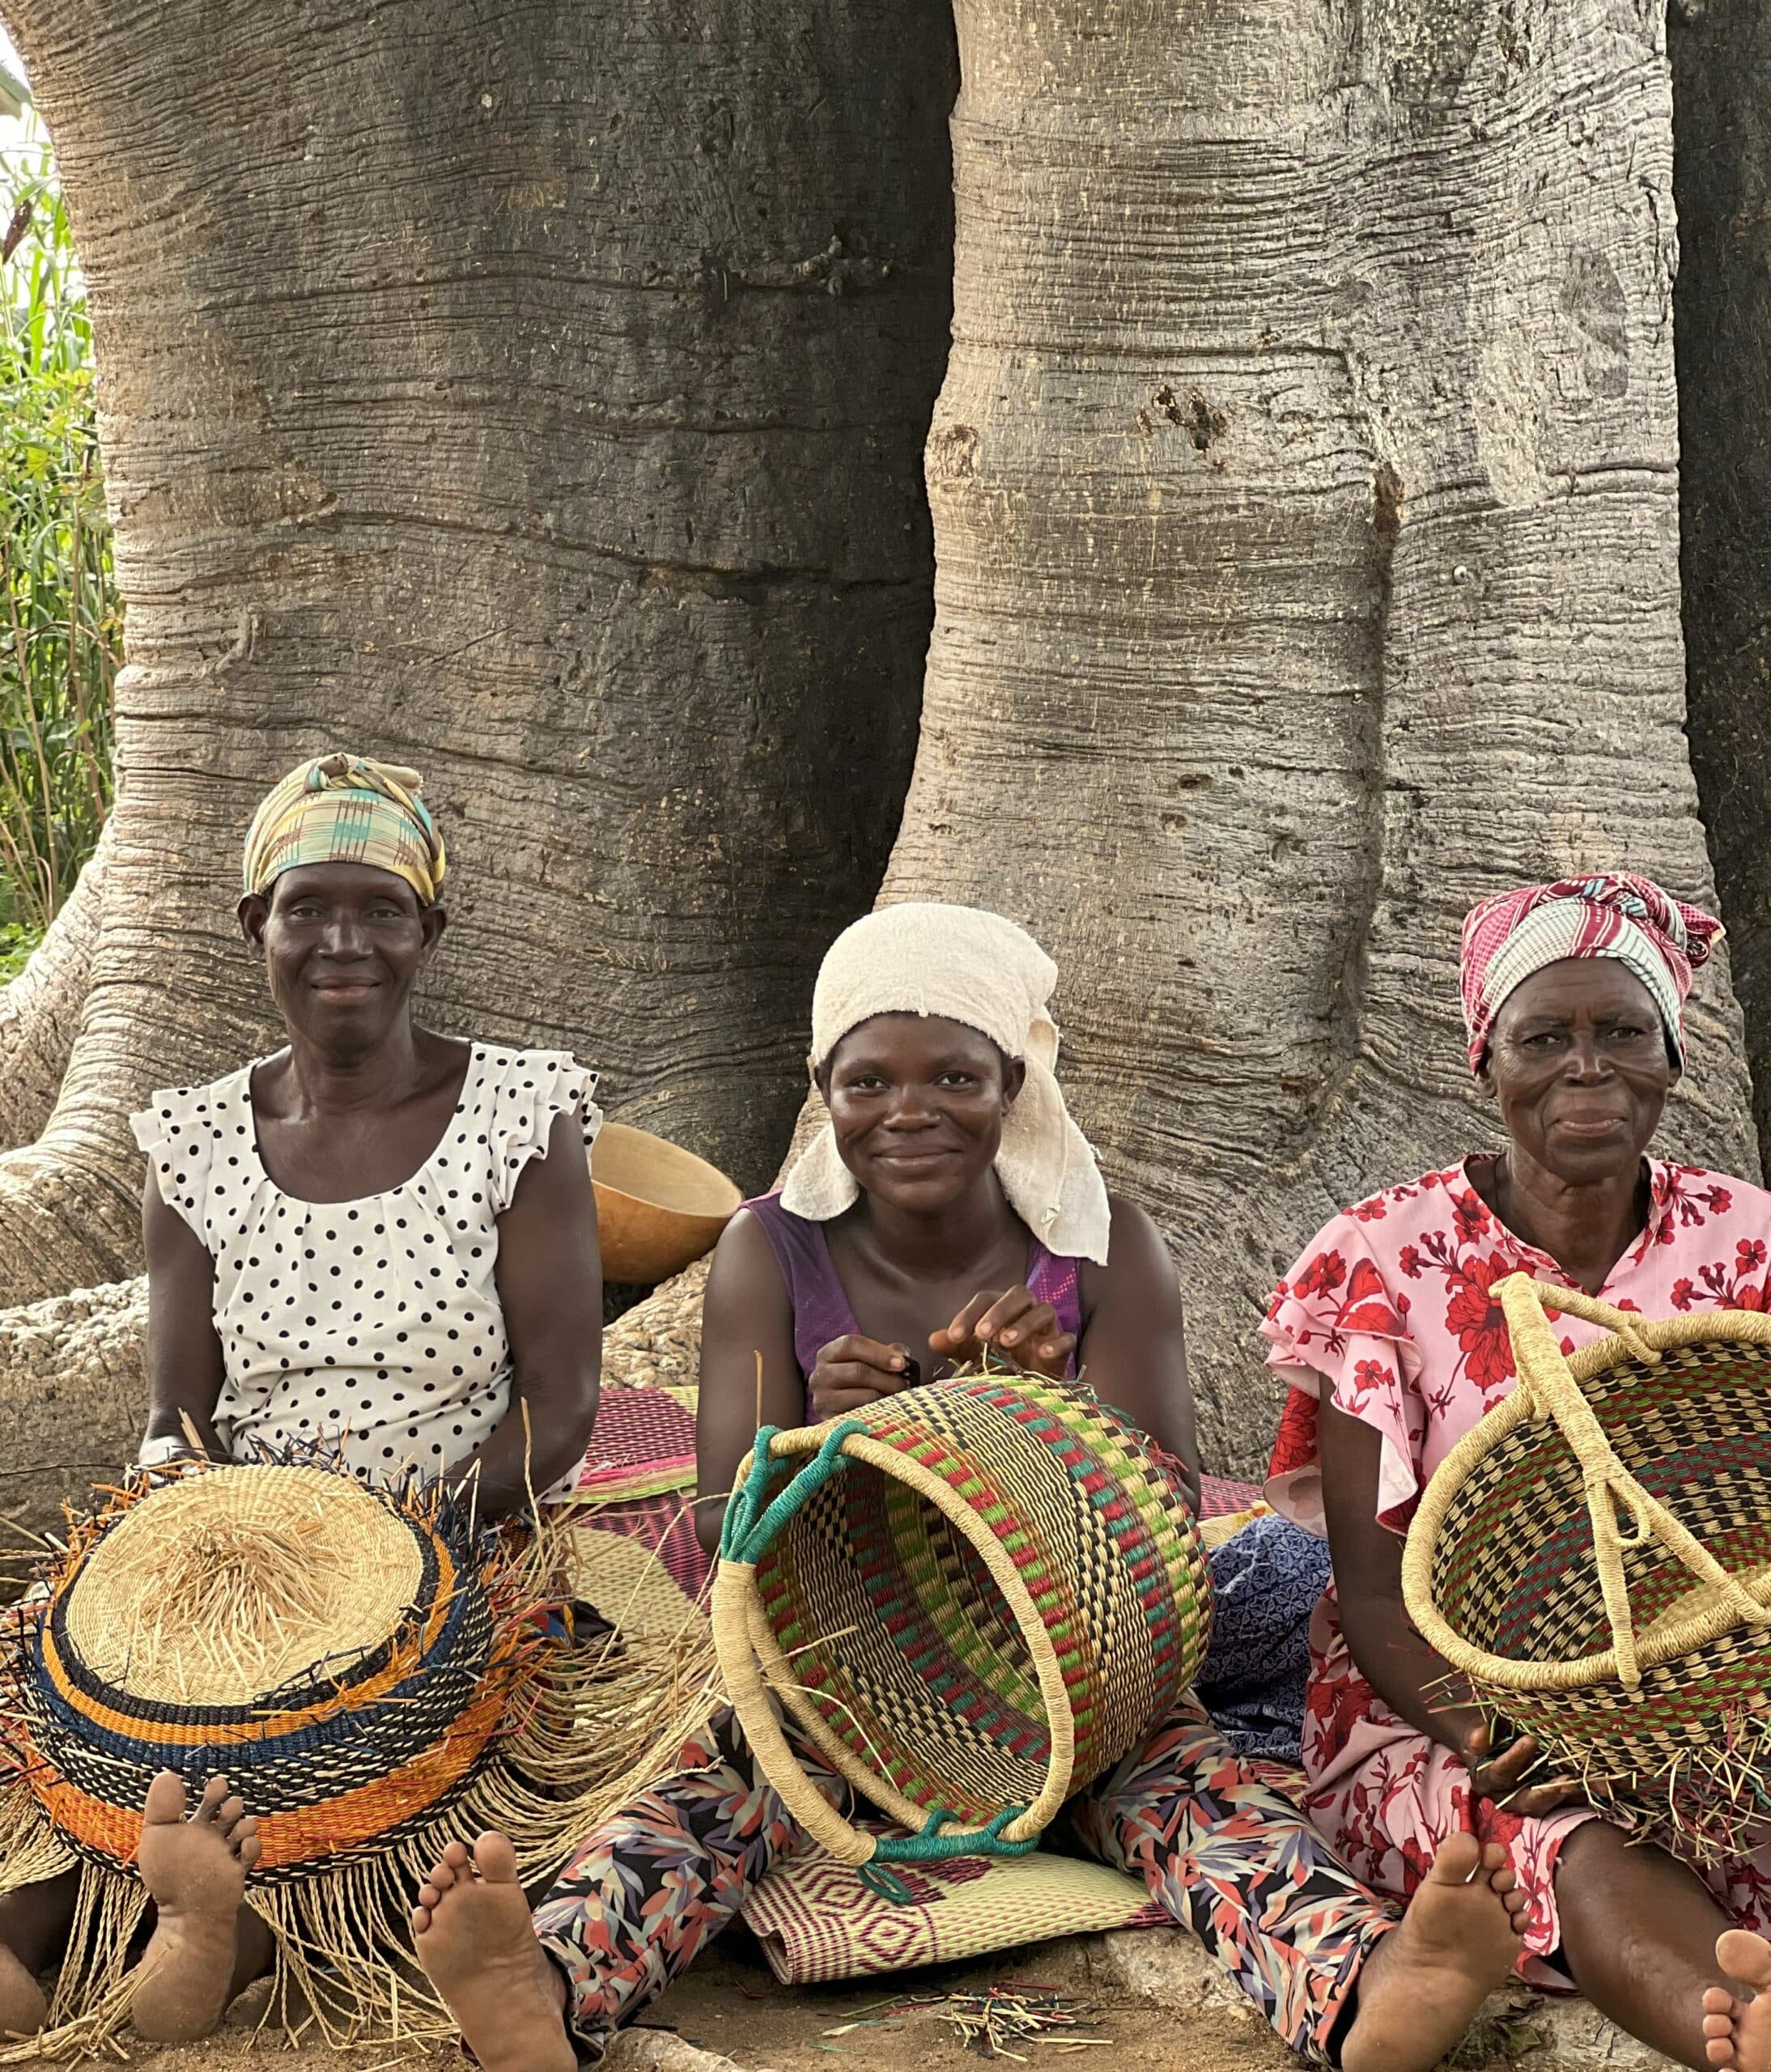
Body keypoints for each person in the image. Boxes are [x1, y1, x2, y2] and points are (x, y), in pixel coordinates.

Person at [409, 902, 1526, 2072]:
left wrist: (1049, 1419)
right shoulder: (769, 1250)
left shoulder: (1103, 1253)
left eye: (953, 1075)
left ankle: (1364, 1990)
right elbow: (714, 1526)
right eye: (866, 1082)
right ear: (824, 1092)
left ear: (1013, 1083)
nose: (908, 1112)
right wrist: (818, 1447)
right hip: (840, 1676)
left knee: (1201, 1792)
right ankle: (546, 1987)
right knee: (717, 1776)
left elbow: (1171, 1521)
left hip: (1079, 1682)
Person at [0, 752, 603, 2048]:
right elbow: (179, 1414)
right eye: (307, 907)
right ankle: (52, 1937)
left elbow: (561, 1401)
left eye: (381, 910)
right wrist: (170, 1547)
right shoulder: (195, 1139)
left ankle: (230, 1935)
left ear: (429, 931)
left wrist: (408, 1551)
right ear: (253, 928)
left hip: (467, 1548)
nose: (345, 942)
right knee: (80, 1696)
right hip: (237, 1551)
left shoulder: (520, 1114)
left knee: (373, 1745)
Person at [1262, 872, 1771, 2072]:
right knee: (1575, 1836)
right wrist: (1511, 1725)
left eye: (1622, 1034)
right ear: (1486, 1061)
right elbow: (1376, 1598)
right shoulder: (1382, 1258)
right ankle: (1742, 2030)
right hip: (1454, 1713)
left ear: (1674, 1057)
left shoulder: (1752, 1242)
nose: (1585, 1068)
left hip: (1719, 1695)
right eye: (1545, 1037)